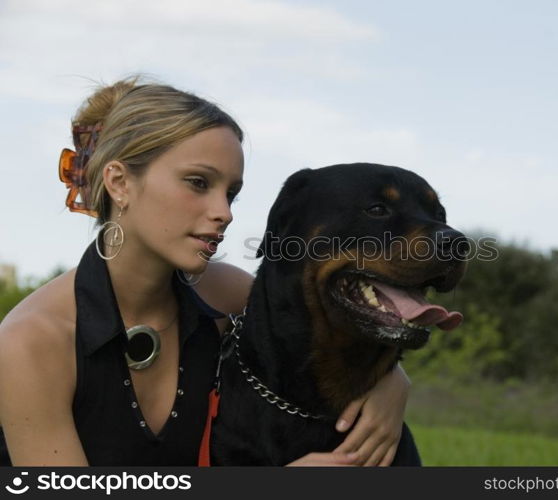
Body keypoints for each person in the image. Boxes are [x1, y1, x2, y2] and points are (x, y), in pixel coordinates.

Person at [0, 77, 411, 466]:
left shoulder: (228, 293)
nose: (224, 213)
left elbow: (318, 336)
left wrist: (392, 381)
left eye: (231, 192)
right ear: (119, 182)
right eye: (198, 183)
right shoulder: (31, 343)